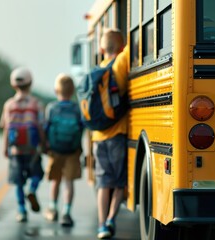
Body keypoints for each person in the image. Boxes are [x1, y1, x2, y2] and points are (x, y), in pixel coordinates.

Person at [92, 28, 129, 239]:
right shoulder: (121, 63)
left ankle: (100, 226)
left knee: (103, 184)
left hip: (98, 137)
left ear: (101, 49)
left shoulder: (97, 71)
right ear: (122, 47)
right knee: (118, 183)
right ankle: (110, 220)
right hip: (117, 134)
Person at [0, 67, 45, 222]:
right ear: (30, 84)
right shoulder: (36, 104)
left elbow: (6, 128)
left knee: (18, 182)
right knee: (37, 174)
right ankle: (32, 189)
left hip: (16, 150)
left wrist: (5, 148)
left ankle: (21, 210)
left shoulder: (8, 105)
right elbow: (40, 126)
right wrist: (44, 144)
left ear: (13, 85)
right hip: (32, 150)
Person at [43, 73, 83, 227]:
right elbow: (81, 127)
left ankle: (52, 209)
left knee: (55, 181)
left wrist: (45, 146)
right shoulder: (76, 108)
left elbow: (46, 129)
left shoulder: (51, 108)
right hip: (73, 151)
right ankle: (66, 213)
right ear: (72, 91)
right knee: (69, 182)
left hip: (56, 150)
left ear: (55, 91)